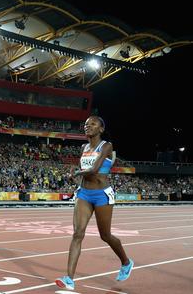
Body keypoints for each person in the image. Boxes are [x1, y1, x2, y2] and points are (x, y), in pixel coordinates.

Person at [56, 116, 133, 290]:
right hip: (84, 194)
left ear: (101, 129)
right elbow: (84, 172)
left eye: (92, 124)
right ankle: (69, 278)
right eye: (85, 124)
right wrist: (76, 178)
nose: (88, 126)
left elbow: (95, 169)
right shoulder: (83, 147)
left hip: (101, 195)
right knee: (77, 234)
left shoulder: (106, 146)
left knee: (105, 235)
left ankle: (126, 262)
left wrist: (75, 173)